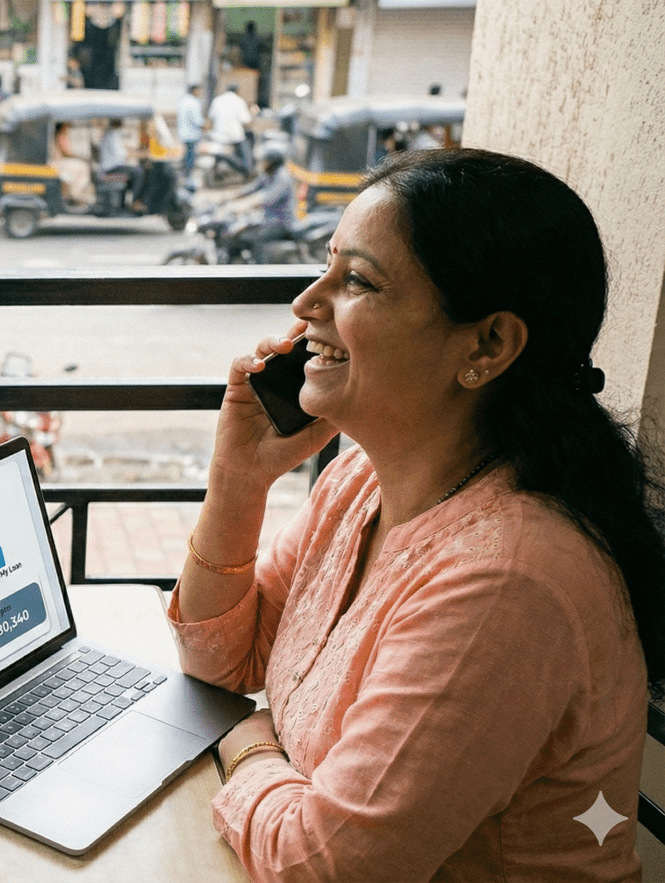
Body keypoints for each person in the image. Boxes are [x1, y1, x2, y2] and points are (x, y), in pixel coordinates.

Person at [168, 147, 663, 880]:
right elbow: (222, 658)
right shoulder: (360, 481)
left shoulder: (507, 583)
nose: (307, 303)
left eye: (357, 280)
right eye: (326, 263)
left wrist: (249, 743)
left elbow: (323, 863)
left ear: (488, 344)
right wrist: (238, 479)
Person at [223, 142, 294, 262]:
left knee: (252, 237)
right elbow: (253, 187)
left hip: (280, 223)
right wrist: (232, 196)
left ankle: (260, 269)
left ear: (273, 161)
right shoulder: (268, 173)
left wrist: (243, 207)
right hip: (268, 219)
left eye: (265, 160)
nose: (262, 163)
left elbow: (267, 199)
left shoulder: (282, 177)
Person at [208, 84, 253, 178]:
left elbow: (211, 119)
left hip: (218, 135)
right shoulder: (239, 101)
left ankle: (220, 166)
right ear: (237, 91)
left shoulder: (217, 100)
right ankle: (245, 171)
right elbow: (246, 121)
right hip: (235, 136)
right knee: (246, 161)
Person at [54, 122, 94, 208]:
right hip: (58, 163)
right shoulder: (61, 135)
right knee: (82, 167)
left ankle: (74, 194)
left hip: (60, 161)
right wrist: (80, 157)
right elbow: (66, 152)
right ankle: (75, 195)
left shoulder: (63, 135)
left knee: (80, 166)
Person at [177, 83, 205, 181]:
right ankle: (188, 175)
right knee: (190, 155)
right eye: (199, 90)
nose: (200, 92)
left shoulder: (184, 100)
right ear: (194, 90)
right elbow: (197, 120)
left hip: (184, 132)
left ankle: (186, 173)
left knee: (188, 154)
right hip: (191, 133)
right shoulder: (193, 102)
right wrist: (204, 126)